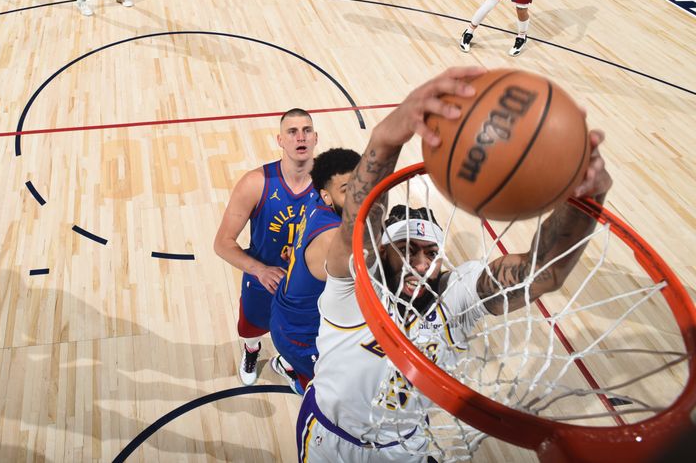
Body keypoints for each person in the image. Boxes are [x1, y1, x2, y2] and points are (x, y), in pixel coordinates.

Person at [295, 66, 613, 462]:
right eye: (407, 251)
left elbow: (542, 273)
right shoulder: (353, 288)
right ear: (383, 253)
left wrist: (585, 199)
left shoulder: (456, 298)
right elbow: (360, 222)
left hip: (404, 447)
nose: (420, 263)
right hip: (330, 438)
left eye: (429, 252)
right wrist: (387, 136)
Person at [214, 109, 318, 386]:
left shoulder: (330, 183)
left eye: (307, 130)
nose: (301, 137)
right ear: (280, 140)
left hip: (308, 287)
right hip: (263, 281)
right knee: (250, 329)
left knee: (304, 338)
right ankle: (251, 351)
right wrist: (259, 270)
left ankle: (285, 361)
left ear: (315, 138)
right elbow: (222, 243)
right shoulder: (255, 183)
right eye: (292, 132)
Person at [268, 148, 361, 395]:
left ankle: (289, 364)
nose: (358, 196)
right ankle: (295, 374)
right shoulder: (335, 239)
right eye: (346, 190)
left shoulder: (315, 200)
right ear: (327, 196)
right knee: (326, 392)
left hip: (287, 313)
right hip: (302, 338)